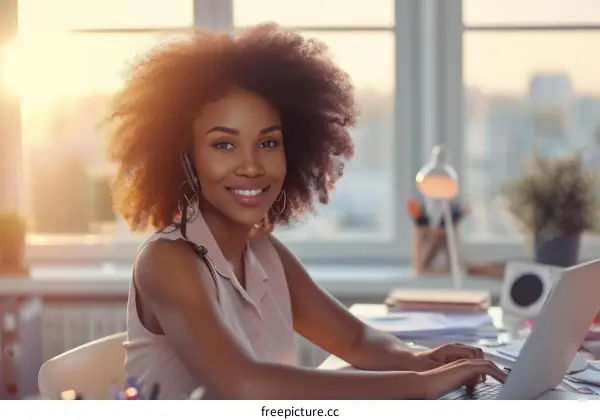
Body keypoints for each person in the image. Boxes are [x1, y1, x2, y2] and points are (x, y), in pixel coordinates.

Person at [105, 23, 506, 400]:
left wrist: (422, 360)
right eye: (224, 145)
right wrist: (420, 386)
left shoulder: (264, 251)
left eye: (268, 143)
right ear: (186, 158)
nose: (251, 166)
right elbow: (244, 386)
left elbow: (355, 341)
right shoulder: (167, 260)